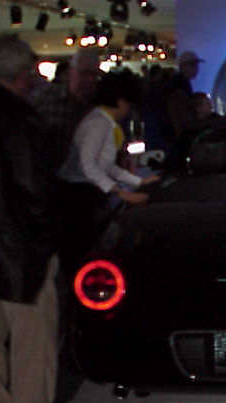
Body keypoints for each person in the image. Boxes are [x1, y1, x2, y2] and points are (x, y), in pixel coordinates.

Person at [0, 34, 78, 403]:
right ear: (22, 73)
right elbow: (35, 189)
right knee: (33, 339)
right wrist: (50, 237)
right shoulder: (21, 119)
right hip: (19, 249)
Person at [57, 69, 160, 268]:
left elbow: (105, 165)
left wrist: (138, 182)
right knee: (83, 251)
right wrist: (123, 193)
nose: (129, 110)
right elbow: (88, 166)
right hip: (78, 196)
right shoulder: (99, 124)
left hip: (84, 192)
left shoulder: (103, 121)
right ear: (121, 102)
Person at [33, 47, 101, 171]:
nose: (90, 80)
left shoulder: (101, 103)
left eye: (95, 75)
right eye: (84, 73)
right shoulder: (46, 99)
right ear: (70, 72)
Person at [157, 51, 204, 170]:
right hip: (176, 138)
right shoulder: (179, 86)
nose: (196, 69)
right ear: (184, 66)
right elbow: (179, 115)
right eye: (193, 65)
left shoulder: (179, 83)